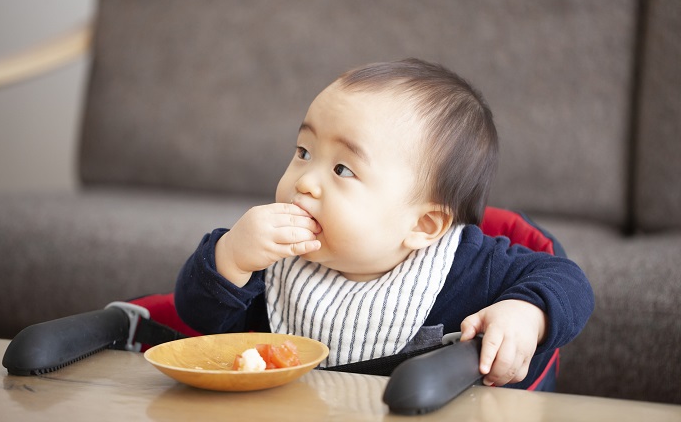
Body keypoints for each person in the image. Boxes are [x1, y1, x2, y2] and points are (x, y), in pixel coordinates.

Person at [175, 58, 594, 389]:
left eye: (342, 169)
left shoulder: (468, 266)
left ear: (425, 225)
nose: (304, 181)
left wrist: (525, 313)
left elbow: (567, 280)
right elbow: (200, 320)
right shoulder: (270, 258)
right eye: (303, 151)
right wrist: (230, 257)